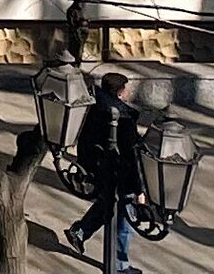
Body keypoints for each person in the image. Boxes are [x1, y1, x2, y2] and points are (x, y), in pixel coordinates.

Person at [69, 67, 149, 274]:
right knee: (125, 218)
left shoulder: (95, 108)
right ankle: (119, 265)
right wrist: (140, 189)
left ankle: (79, 231)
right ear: (121, 91)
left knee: (106, 203)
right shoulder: (123, 117)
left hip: (99, 168)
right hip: (120, 174)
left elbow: (85, 139)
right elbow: (131, 156)